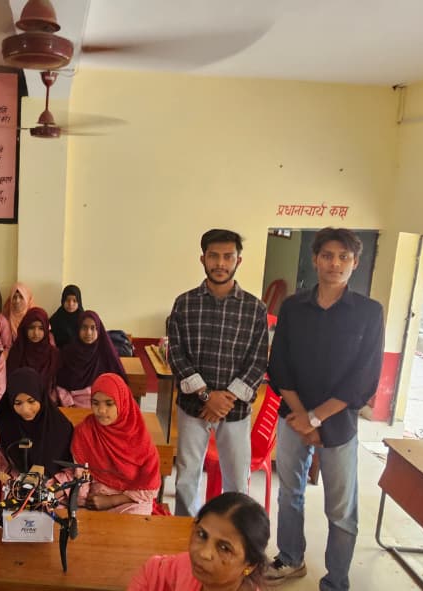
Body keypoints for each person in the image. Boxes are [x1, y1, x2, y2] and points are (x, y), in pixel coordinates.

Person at [264, 228, 383, 591]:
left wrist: (318, 419)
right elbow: (280, 365)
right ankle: (290, 558)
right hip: (293, 417)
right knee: (290, 493)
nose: (335, 264)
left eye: (343, 257)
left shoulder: (368, 313)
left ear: (355, 263)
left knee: (341, 509)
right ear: (315, 260)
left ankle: (336, 580)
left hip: (340, 423)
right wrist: (302, 418)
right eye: (327, 256)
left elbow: (364, 378)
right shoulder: (294, 307)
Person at [167, 229, 270, 518]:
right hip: (193, 407)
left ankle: (233, 535)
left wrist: (226, 399)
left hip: (235, 411)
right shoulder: (184, 304)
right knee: (186, 477)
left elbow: (258, 359)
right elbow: (176, 353)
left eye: (228, 256)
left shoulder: (254, 309)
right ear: (203, 259)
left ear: (239, 260)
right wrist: (206, 395)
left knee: (236, 482)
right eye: (214, 256)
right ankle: (183, 534)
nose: (220, 263)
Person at [129, 492, 270, 591]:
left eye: (225, 548)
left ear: (250, 565)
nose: (204, 553)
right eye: (202, 535)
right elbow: (151, 572)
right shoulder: (182, 567)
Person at [70, 373, 159, 515]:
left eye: (109, 403)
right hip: (94, 500)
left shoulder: (139, 437)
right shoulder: (85, 431)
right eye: (95, 403)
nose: (101, 410)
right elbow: (81, 474)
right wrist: (86, 499)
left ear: (122, 402)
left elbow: (149, 488)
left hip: (130, 501)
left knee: (134, 527)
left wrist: (111, 501)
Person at [0, 368, 73, 481]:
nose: (25, 410)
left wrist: (51, 487)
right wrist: (14, 482)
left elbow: (71, 470)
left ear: (40, 396)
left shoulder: (61, 428)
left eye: (31, 401)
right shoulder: (3, 426)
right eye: (18, 403)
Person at [54, 311, 126, 408]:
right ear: (78, 329)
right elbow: (59, 383)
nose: (88, 333)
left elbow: (116, 384)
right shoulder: (67, 353)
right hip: (73, 407)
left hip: (102, 407)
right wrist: (69, 404)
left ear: (99, 330)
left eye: (93, 328)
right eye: (84, 327)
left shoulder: (105, 354)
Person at [6, 307, 60, 395]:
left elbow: (56, 385)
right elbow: (11, 382)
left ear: (46, 329)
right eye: (31, 327)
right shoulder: (16, 352)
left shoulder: (53, 355)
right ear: (25, 328)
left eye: (41, 328)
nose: (36, 333)